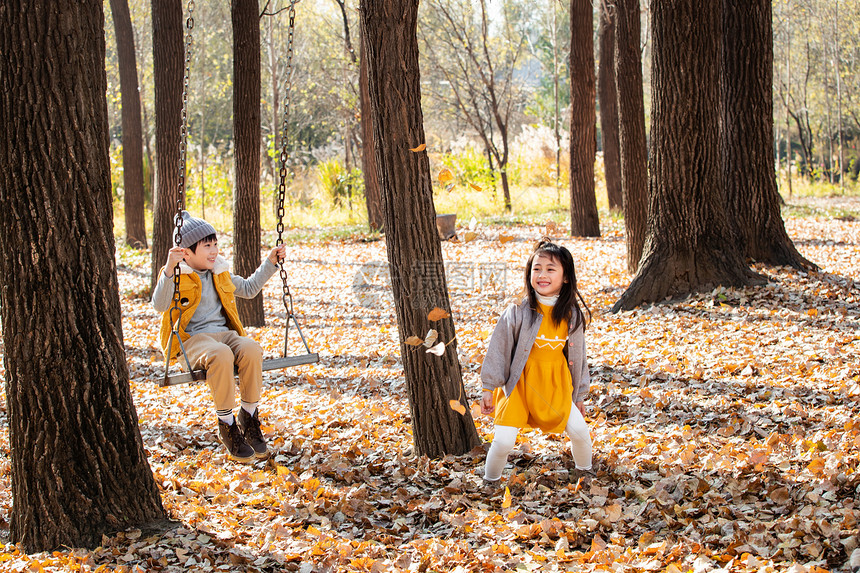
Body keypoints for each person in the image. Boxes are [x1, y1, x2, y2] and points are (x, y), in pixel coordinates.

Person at [152, 211, 286, 463]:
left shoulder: (220, 272)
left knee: (251, 349)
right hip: (192, 340)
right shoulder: (177, 275)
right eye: (206, 246)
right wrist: (169, 268)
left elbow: (248, 288)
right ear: (186, 252)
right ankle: (226, 423)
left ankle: (248, 414)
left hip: (225, 334)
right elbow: (159, 305)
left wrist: (270, 263)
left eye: (215, 244)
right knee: (221, 355)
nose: (213, 251)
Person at [480, 239, 593, 483]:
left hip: (555, 387)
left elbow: (578, 357)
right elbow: (498, 349)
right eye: (537, 268)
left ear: (565, 277)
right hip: (519, 387)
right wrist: (489, 387)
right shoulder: (518, 312)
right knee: (503, 441)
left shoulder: (571, 316)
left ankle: (586, 475)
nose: (542, 274)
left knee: (581, 432)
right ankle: (489, 482)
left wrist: (580, 395)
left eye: (550, 269)